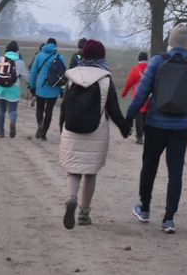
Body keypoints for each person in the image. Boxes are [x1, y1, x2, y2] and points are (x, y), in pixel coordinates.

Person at [126, 23, 187, 234]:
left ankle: (144, 208)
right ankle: (169, 219)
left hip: (155, 125)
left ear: (170, 41)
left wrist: (129, 117)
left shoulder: (157, 62)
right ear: (186, 44)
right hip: (180, 127)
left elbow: (142, 92)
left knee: (149, 166)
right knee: (176, 171)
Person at [59, 39, 131, 229]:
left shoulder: (71, 77)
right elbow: (114, 110)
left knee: (72, 171)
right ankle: (84, 213)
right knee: (90, 173)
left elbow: (64, 106)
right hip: (96, 132)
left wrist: (62, 128)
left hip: (72, 130)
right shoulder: (106, 79)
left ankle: (70, 199)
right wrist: (125, 128)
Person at [0, 40, 29, 138]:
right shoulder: (19, 62)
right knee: (12, 110)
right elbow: (27, 77)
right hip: (14, 88)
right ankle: (12, 121)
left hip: (1, 88)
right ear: (16, 51)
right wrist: (30, 85)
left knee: (1, 109)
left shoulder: (0, 59)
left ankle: (1, 132)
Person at [29, 38, 66, 141]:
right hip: (54, 88)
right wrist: (62, 91)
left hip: (41, 87)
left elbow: (33, 73)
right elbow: (63, 75)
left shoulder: (39, 55)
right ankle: (44, 133)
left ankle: (40, 123)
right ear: (55, 46)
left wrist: (32, 87)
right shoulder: (60, 57)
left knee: (39, 108)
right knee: (49, 110)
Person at [121, 52, 150, 144]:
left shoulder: (135, 69)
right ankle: (147, 136)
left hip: (138, 97)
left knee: (139, 117)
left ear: (139, 59)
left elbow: (129, 83)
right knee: (146, 117)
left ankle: (140, 137)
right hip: (149, 97)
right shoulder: (151, 69)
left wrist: (124, 93)